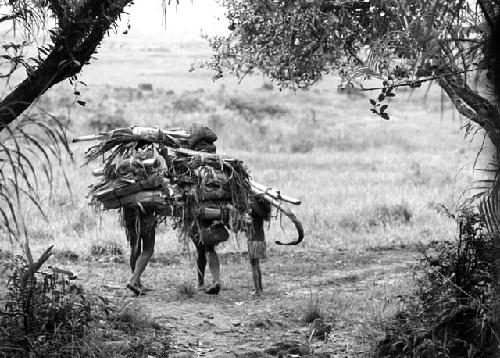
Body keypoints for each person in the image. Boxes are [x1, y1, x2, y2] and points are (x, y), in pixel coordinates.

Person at [190, 220, 229, 295]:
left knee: (201, 252)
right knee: (211, 250)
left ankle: (201, 284)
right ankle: (216, 280)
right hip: (213, 226)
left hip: (199, 225)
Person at [247, 196, 271, 295]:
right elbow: (266, 217)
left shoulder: (253, 206)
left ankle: (257, 290)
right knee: (257, 264)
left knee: (253, 265)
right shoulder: (262, 211)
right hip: (261, 238)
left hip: (253, 239)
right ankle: (260, 288)